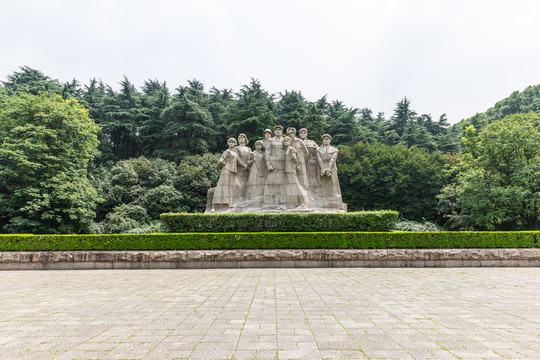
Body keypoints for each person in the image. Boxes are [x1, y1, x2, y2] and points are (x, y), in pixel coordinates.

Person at [211, 138, 247, 212]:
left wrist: (245, 166)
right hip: (226, 170)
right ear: (228, 143)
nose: (231, 143)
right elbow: (221, 160)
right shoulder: (227, 151)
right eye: (230, 142)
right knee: (222, 186)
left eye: (233, 142)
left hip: (233, 171)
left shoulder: (234, 153)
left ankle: (229, 203)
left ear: (235, 144)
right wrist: (223, 167)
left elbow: (239, 161)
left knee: (233, 187)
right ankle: (214, 206)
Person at [317, 134, 344, 210]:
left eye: (327, 139)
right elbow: (319, 159)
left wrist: (328, 169)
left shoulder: (334, 149)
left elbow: (333, 159)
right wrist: (322, 169)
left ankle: (335, 202)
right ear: (322, 140)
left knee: (333, 184)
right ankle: (323, 201)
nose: (326, 140)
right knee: (322, 184)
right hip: (321, 167)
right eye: (324, 139)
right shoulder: (318, 149)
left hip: (331, 167)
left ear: (330, 140)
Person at [282, 136, 309, 209]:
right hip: (288, 169)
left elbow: (294, 158)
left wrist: (296, 165)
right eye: (284, 141)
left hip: (291, 169)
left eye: (287, 141)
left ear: (290, 142)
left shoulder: (291, 149)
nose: (285, 142)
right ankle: (292, 204)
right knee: (291, 185)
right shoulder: (287, 149)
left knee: (296, 184)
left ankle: (303, 202)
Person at [263, 125, 285, 207]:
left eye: (280, 130)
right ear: (274, 132)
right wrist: (268, 164)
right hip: (273, 165)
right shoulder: (271, 140)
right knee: (270, 183)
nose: (278, 131)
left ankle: (282, 202)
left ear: (282, 131)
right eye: (276, 130)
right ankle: (269, 203)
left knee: (282, 184)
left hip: (282, 165)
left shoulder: (285, 140)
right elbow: (267, 153)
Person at [299, 128, 321, 206]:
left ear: (307, 134)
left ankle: (313, 197)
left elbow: (318, 150)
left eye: (304, 132)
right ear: (299, 134)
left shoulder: (312, 142)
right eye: (301, 132)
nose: (303, 134)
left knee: (312, 180)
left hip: (311, 164)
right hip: (300, 165)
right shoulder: (297, 142)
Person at [245, 140, 265, 206]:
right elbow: (248, 162)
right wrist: (250, 162)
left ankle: (259, 197)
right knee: (252, 182)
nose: (258, 146)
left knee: (260, 182)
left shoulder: (264, 153)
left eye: (260, 145)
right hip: (253, 168)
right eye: (257, 145)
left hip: (261, 169)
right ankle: (250, 197)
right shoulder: (252, 153)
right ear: (255, 146)